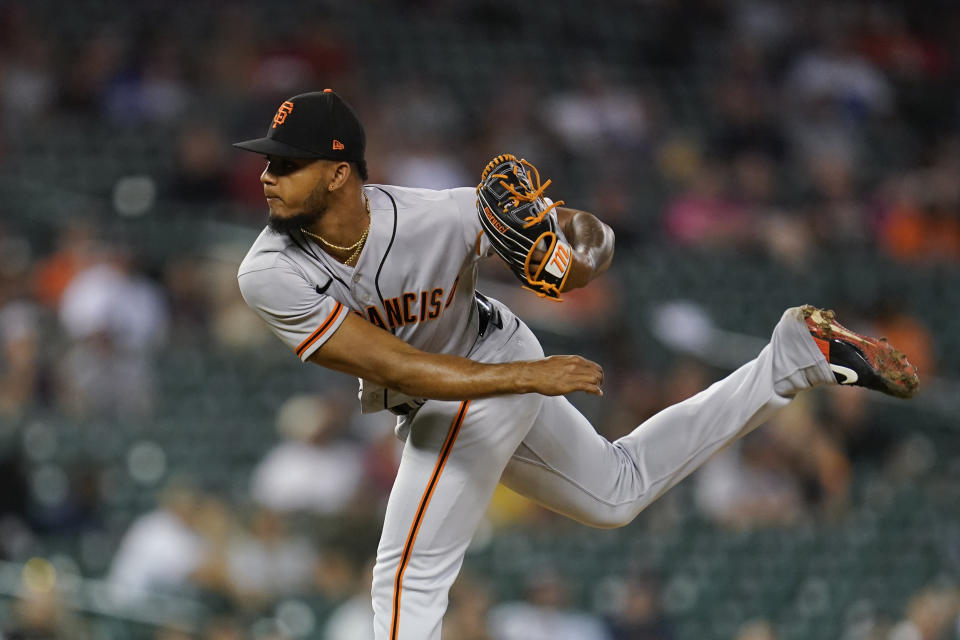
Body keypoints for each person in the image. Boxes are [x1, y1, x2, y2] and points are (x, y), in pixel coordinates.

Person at [234, 90, 919, 640]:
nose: (266, 176)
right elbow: (403, 367)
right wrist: (528, 378)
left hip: (488, 356)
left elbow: (595, 244)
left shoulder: (437, 216)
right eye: (268, 162)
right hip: (472, 379)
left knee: (407, 574)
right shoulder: (268, 271)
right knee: (614, 494)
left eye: (284, 164)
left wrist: (563, 253)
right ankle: (788, 362)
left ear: (338, 172)